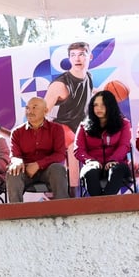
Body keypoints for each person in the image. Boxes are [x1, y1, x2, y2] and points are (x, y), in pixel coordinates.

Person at [44, 41, 94, 192]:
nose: (77, 58)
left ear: (90, 57)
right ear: (69, 58)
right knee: (74, 144)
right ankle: (74, 192)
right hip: (60, 126)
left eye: (81, 54)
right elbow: (41, 113)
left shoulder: (88, 77)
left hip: (80, 126)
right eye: (73, 55)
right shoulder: (60, 85)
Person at [6, 97, 69, 202]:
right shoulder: (17, 132)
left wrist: (38, 164)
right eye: (27, 108)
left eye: (34, 108)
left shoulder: (56, 129)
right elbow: (15, 155)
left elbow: (60, 154)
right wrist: (17, 161)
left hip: (48, 170)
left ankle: (63, 209)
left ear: (45, 111)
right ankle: (16, 210)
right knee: (13, 171)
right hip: (25, 170)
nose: (30, 111)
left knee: (58, 168)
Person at [73, 90, 133, 196]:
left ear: (110, 106)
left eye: (103, 105)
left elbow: (124, 146)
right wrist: (90, 161)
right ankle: (103, 204)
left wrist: (113, 160)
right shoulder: (83, 126)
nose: (98, 108)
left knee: (116, 170)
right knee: (90, 172)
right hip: (92, 165)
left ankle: (102, 203)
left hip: (117, 164)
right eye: (95, 105)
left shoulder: (124, 124)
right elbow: (78, 150)